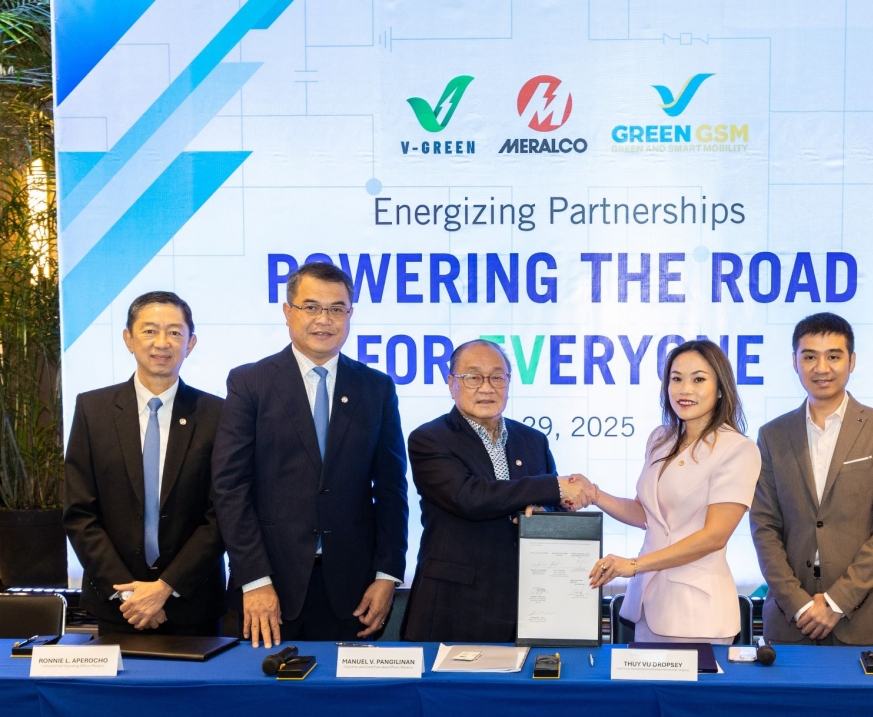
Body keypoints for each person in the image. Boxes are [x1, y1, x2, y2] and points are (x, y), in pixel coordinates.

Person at [212, 261, 409, 646]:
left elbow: (391, 489)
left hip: (353, 590)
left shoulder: (376, 388)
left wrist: (387, 575)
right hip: (269, 587)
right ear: (288, 312)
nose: (325, 319)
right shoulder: (250, 382)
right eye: (312, 307)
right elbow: (230, 488)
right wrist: (254, 578)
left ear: (350, 314)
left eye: (337, 308)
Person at [401, 339, 594, 642]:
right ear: (452, 383)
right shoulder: (429, 439)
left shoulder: (533, 440)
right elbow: (470, 497)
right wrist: (552, 487)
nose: (487, 387)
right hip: (456, 602)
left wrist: (543, 511)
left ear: (508, 382)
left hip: (528, 601)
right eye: (473, 377)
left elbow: (551, 505)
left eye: (497, 377)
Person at [64, 292, 225, 637]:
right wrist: (129, 594)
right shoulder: (93, 410)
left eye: (175, 332)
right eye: (150, 331)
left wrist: (165, 587)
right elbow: (80, 513)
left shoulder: (218, 415)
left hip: (192, 604)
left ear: (191, 343)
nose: (162, 343)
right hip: (118, 606)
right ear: (129, 339)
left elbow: (222, 515)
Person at [750, 313, 873, 646]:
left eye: (833, 356)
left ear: (852, 361)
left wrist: (837, 602)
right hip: (791, 622)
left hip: (863, 620)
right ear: (794, 362)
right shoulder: (772, 435)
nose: (821, 368)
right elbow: (764, 527)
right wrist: (798, 604)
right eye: (809, 357)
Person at [588, 340, 759, 644]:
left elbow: (714, 536)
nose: (684, 389)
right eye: (676, 379)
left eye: (698, 379)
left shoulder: (738, 449)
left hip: (697, 614)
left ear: (721, 389)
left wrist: (634, 565)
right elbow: (647, 514)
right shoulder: (660, 438)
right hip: (649, 604)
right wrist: (594, 494)